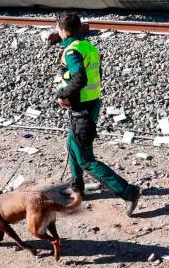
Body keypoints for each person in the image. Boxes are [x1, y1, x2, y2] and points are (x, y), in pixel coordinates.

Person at [53, 11, 141, 216]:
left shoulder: (72, 51)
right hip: (91, 103)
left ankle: (128, 192)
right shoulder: (87, 46)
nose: (57, 32)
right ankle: (77, 187)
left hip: (81, 108)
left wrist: (64, 95)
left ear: (64, 31)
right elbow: (96, 74)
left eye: (58, 29)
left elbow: (80, 78)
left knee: (85, 158)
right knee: (71, 143)